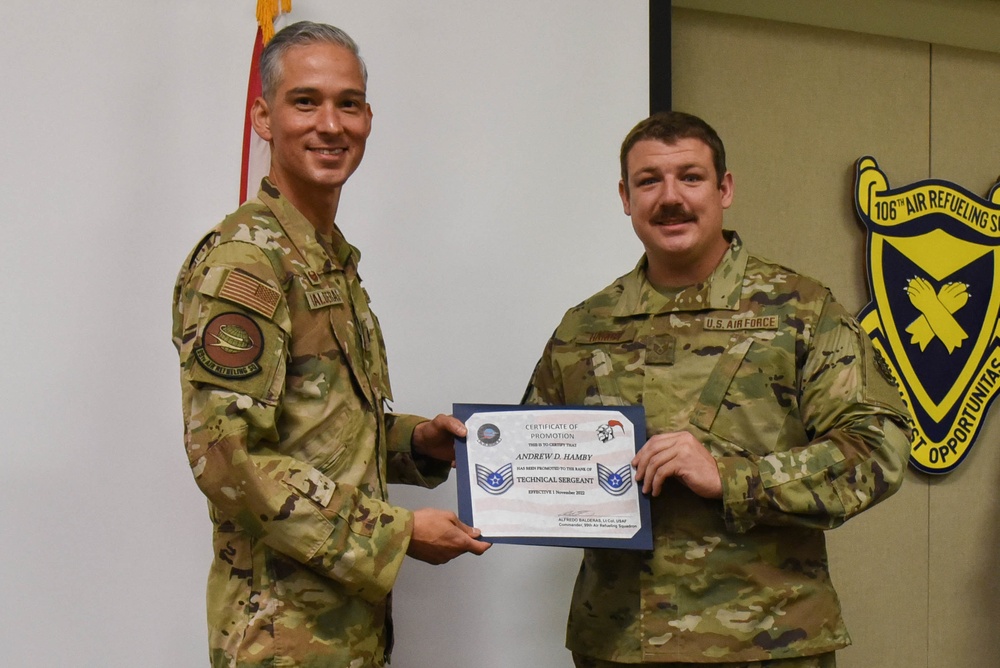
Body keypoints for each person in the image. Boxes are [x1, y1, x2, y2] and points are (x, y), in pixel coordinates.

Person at [522, 111, 912, 668]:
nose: (670, 197)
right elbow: (535, 454)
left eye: (691, 177)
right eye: (649, 181)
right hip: (617, 643)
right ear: (625, 197)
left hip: (766, 643)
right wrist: (475, 456)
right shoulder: (584, 326)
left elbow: (879, 449)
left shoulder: (800, 310)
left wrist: (732, 477)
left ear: (724, 188)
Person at [171, 21, 489, 668]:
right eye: (305, 101)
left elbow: (318, 427)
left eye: (348, 103)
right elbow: (228, 460)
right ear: (264, 118)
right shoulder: (248, 264)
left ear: (369, 119)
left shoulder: (324, 261)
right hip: (279, 638)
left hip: (349, 634)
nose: (330, 124)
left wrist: (414, 443)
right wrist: (394, 535)